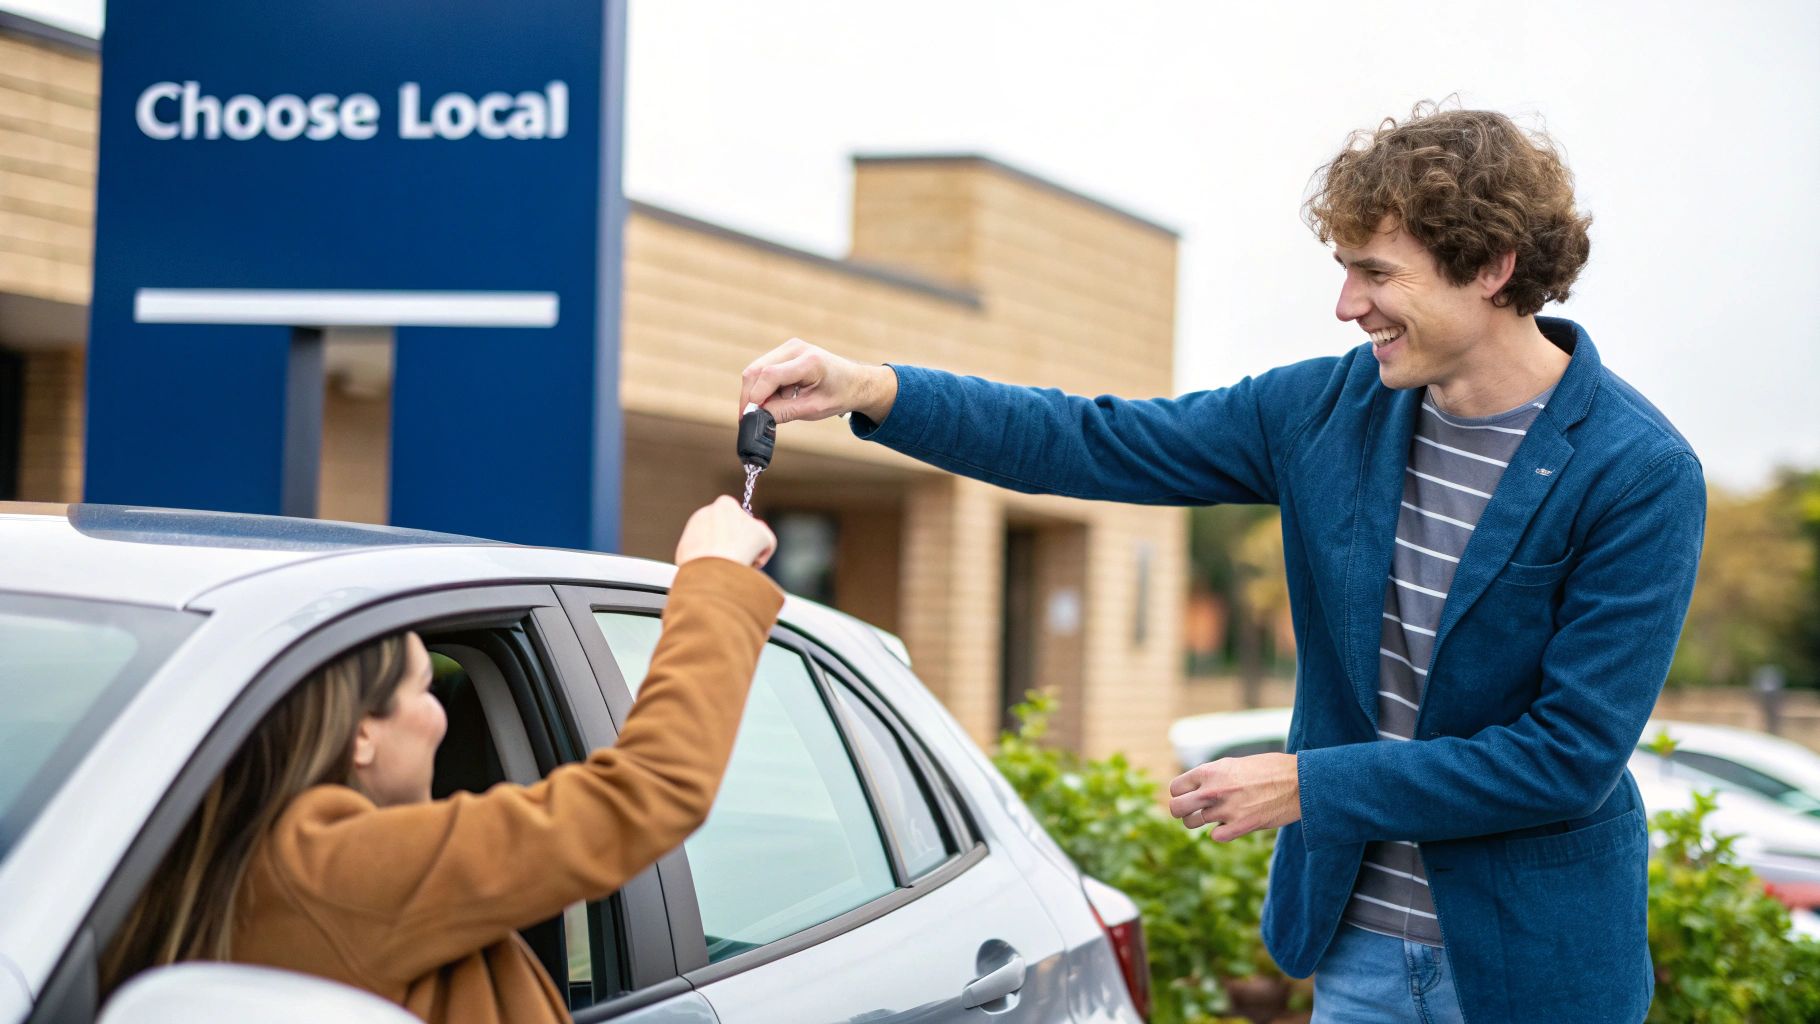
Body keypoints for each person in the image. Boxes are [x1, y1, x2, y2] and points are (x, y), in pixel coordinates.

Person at [738, 105, 1704, 1024]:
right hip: (1356, 948)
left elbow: (1566, 760)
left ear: (1491, 268)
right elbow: (1090, 439)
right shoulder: (1324, 413)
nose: (1345, 305)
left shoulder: (1637, 473)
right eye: (1344, 270)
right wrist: (869, 387)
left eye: (1376, 274)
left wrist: (1308, 787)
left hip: (1533, 970)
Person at [102, 496, 781, 1024]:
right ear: (360, 734)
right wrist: (713, 582)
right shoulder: (344, 869)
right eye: (426, 688)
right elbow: (649, 792)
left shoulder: (172, 852)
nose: (443, 715)